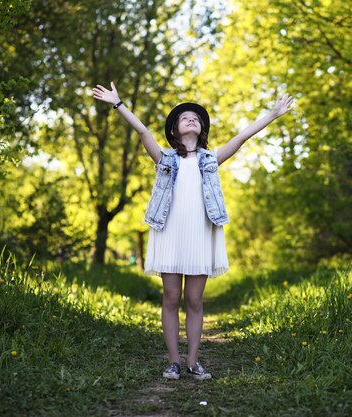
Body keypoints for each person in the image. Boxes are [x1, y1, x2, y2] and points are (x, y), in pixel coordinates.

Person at [92, 82, 293, 380]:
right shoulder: (165, 159)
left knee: (195, 301)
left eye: (196, 118)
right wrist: (118, 104)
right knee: (171, 298)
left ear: (201, 130)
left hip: (200, 234)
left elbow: (241, 137)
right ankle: (173, 361)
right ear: (174, 131)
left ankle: (192, 361)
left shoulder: (210, 160)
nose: (191, 119)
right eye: (185, 117)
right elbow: (143, 132)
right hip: (170, 233)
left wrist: (274, 114)